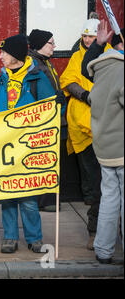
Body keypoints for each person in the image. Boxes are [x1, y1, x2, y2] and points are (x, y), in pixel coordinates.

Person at [0, 34, 58, 254]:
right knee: (7, 192)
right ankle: (10, 237)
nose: (0, 56)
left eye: (4, 53)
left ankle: (34, 238)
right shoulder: (3, 79)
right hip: (4, 146)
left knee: (28, 196)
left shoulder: (37, 77)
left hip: (28, 147)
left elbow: (53, 108)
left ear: (15, 55)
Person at [59, 16, 112, 250]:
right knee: (97, 183)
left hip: (109, 130)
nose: (88, 40)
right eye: (85, 36)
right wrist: (85, 96)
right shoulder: (77, 57)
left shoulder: (112, 56)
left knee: (108, 186)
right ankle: (96, 231)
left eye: (91, 36)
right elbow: (69, 81)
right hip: (85, 130)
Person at [84, 23, 124, 264]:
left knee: (109, 199)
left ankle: (103, 249)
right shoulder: (121, 71)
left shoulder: (100, 70)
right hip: (122, 145)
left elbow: (83, 68)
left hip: (104, 147)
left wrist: (98, 44)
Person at [27, 29, 67, 212]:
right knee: (43, 159)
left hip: (54, 118)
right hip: (43, 121)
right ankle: (44, 200)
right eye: (51, 42)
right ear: (41, 45)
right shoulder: (34, 65)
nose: (54, 46)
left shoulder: (45, 63)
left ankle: (48, 199)